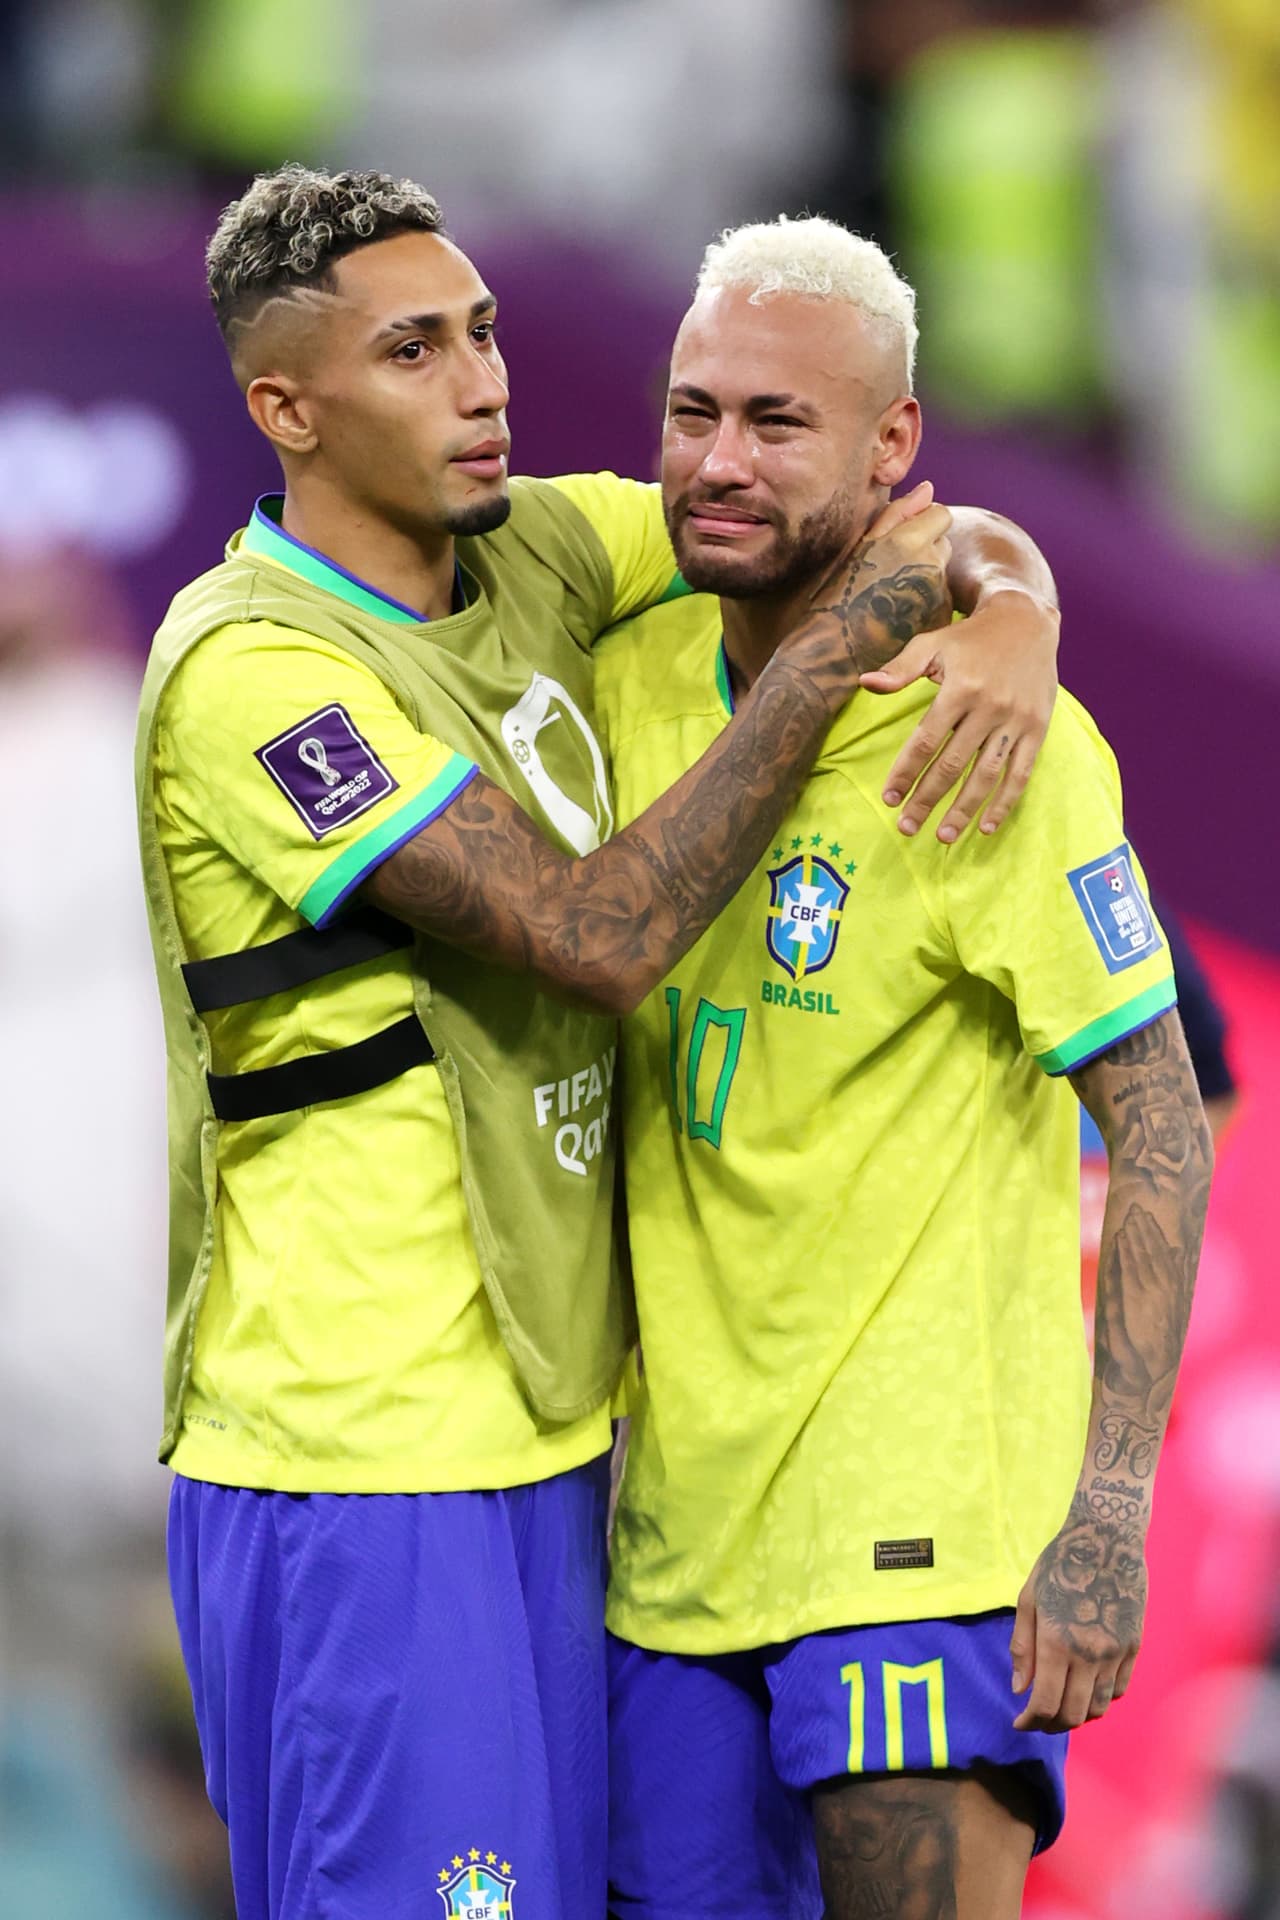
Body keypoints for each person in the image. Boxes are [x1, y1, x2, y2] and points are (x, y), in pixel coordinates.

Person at [137, 166, 1060, 1919]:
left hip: (554, 1449)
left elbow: (882, 524)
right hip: (362, 1461)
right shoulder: (254, 676)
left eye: (483, 331)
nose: (483, 382)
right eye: (415, 351)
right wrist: (825, 671)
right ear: (288, 408)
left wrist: (1017, 608)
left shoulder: (537, 549)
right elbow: (597, 938)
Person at [595, 216, 1215, 1920]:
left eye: (778, 423)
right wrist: (1015, 577)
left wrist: (1108, 1514)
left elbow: (1160, 1125)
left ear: (893, 447)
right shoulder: (624, 674)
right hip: (674, 1558)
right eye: (692, 409)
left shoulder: (994, 734)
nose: (718, 461)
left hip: (925, 1537)